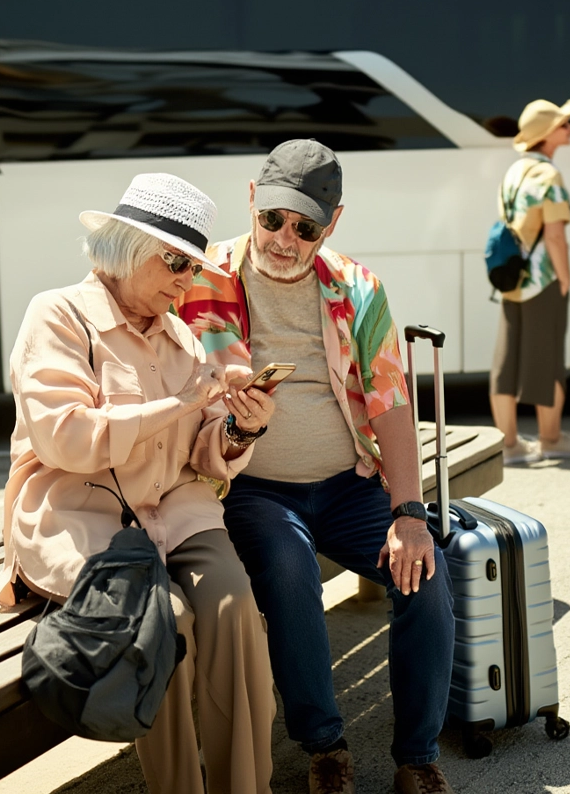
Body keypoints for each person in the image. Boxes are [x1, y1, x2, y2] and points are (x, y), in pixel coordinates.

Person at [175, 139, 456, 794]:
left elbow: (390, 403)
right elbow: (187, 337)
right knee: (288, 570)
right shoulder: (203, 275)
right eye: (272, 217)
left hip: (346, 483)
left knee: (427, 569)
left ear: (331, 224)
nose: (283, 238)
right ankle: (325, 744)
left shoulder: (358, 287)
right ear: (251, 199)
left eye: (305, 227)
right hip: (251, 487)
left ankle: (417, 756)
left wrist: (409, 514)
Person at [0, 172, 276, 794]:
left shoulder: (182, 335)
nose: (186, 281)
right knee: (164, 623)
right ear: (126, 247)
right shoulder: (59, 314)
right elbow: (65, 438)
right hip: (81, 517)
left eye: (193, 268)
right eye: (175, 262)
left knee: (233, 608)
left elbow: (203, 456)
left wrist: (238, 431)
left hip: (175, 511)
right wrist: (181, 403)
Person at [489, 99, 570, 464]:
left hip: (510, 279)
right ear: (548, 134)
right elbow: (554, 237)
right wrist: (565, 279)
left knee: (507, 359)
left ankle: (510, 445)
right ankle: (550, 438)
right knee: (548, 360)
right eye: (564, 124)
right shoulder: (549, 176)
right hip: (542, 281)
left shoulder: (514, 171)